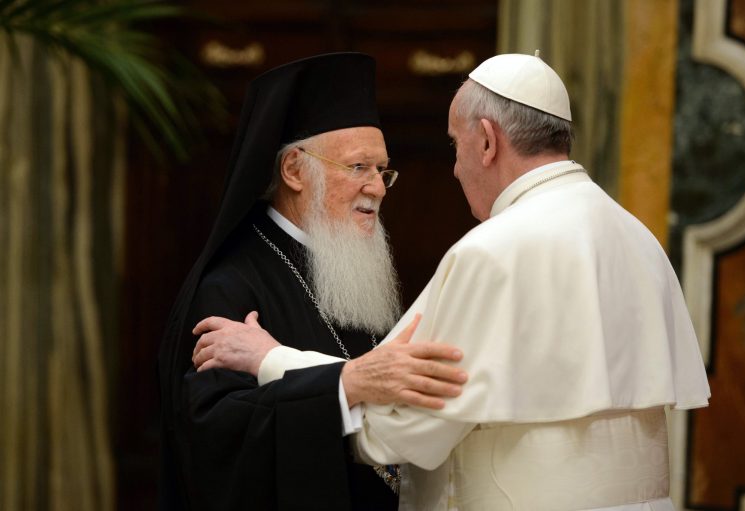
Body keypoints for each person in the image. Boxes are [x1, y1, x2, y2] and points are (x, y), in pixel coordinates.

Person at [193, 52, 711, 510]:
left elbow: (402, 431)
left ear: (487, 141)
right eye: (359, 167)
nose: (455, 169)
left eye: (455, 146)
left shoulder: (493, 252)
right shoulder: (639, 236)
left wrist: (273, 360)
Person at [157, 52, 468, 511]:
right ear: (294, 171)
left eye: (382, 170)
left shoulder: (354, 274)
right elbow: (217, 434)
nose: (378, 187)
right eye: (359, 167)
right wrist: (343, 385)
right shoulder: (230, 287)